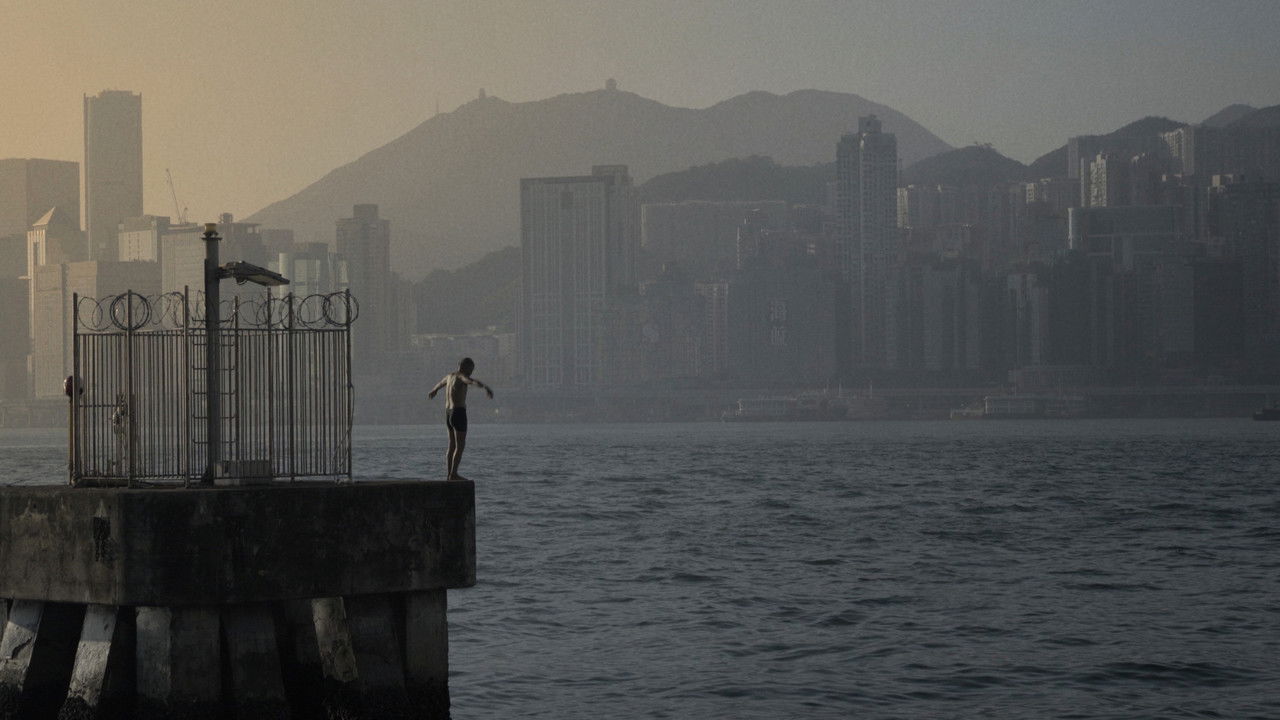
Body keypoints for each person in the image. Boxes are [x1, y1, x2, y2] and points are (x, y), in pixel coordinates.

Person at [428, 357, 494, 481]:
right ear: (467, 367)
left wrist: (434, 390)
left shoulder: (449, 376)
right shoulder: (461, 377)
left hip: (448, 413)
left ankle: (449, 474)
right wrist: (485, 387)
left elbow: (440, 384)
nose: (472, 372)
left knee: (451, 445)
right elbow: (470, 381)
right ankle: (454, 474)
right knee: (460, 445)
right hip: (458, 412)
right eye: (471, 369)